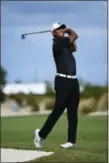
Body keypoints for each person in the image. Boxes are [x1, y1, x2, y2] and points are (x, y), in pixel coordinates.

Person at [34, 23, 80, 149]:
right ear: (53, 33)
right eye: (58, 29)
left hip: (73, 82)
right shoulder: (57, 43)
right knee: (58, 110)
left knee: (73, 113)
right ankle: (41, 134)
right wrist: (69, 30)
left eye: (62, 28)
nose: (61, 30)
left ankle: (71, 141)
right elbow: (75, 35)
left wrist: (67, 34)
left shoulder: (65, 43)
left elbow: (74, 48)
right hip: (62, 81)